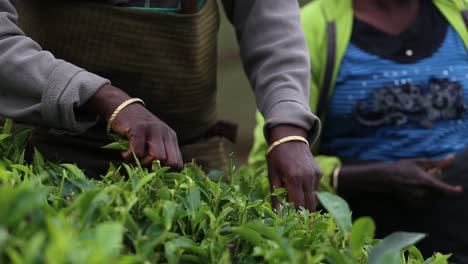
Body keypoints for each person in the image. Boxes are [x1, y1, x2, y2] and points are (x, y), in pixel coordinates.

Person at [0, 0, 322, 211]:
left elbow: (267, 15)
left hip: (188, 167)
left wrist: (288, 125)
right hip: (42, 157)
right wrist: (103, 97)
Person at [250, 0, 468, 260]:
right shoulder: (309, 29)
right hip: (358, 244)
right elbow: (267, 167)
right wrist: (376, 178)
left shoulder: (460, 13)